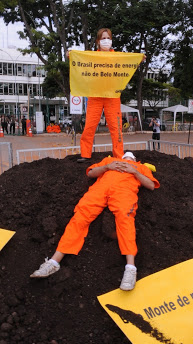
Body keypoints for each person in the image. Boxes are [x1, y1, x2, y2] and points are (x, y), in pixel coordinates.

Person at [30, 151, 160, 291]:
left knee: (125, 218)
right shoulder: (108, 161)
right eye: (125, 156)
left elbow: (151, 185)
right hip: (99, 190)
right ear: (120, 157)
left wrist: (134, 171)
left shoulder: (140, 167)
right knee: (80, 216)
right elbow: (91, 173)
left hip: (124, 192)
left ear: (135, 159)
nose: (127, 157)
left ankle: (130, 268)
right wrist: (107, 167)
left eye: (130, 157)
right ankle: (54, 262)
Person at [75, 28, 145, 163]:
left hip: (112, 97)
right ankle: (85, 153)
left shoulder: (117, 57)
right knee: (89, 126)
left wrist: (138, 59)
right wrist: (71, 55)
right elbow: (80, 61)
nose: (106, 41)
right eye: (103, 38)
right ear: (98, 41)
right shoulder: (91, 57)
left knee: (116, 127)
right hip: (95, 96)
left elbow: (128, 62)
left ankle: (119, 155)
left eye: (108, 38)